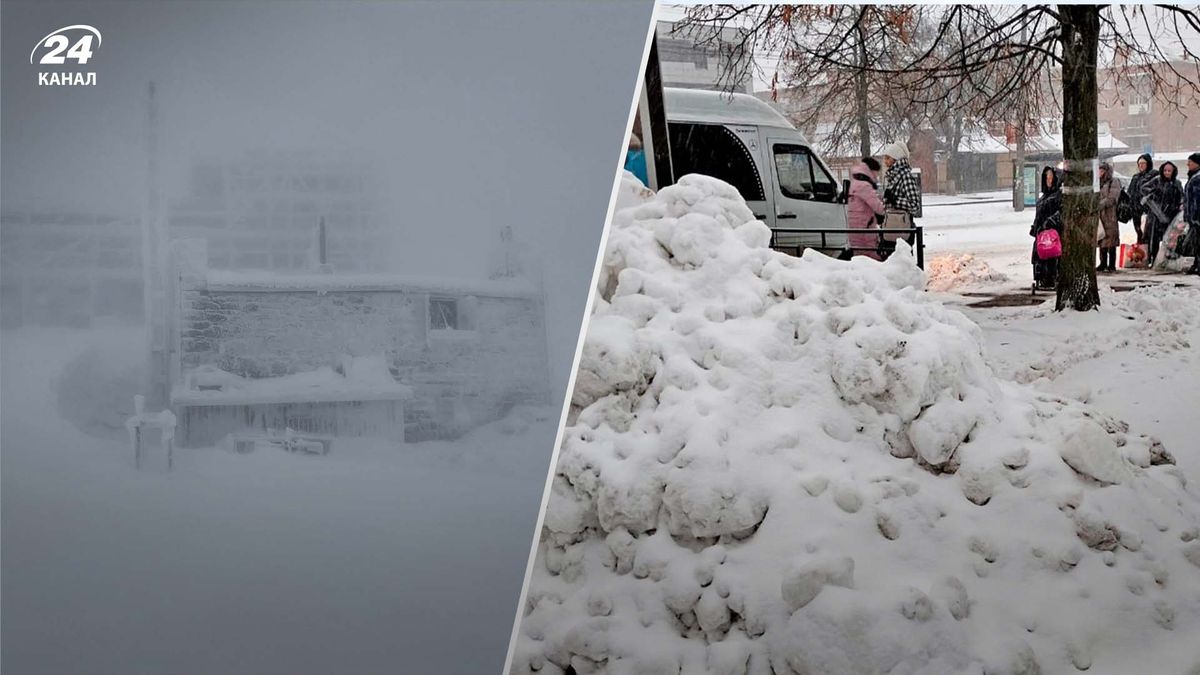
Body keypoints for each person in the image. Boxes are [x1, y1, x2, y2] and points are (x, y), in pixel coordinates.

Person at [1142, 160, 1183, 265]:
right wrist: (1152, 195)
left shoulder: (1176, 183)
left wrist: (1179, 205)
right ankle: (1153, 258)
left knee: (1169, 238)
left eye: (1169, 171)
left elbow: (1181, 196)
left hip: (1170, 214)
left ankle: (1166, 259)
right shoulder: (1157, 180)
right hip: (1156, 214)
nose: (1167, 173)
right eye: (1165, 170)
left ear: (1173, 171)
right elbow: (1143, 188)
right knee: (1154, 238)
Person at [846, 157, 887, 260]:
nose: (877, 176)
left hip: (855, 229)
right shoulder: (864, 186)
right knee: (870, 259)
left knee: (859, 258)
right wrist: (887, 207)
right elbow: (879, 208)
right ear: (871, 171)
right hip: (865, 229)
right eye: (877, 173)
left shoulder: (855, 182)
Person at [1030, 166, 1063, 289]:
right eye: (1046, 177)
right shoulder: (1044, 197)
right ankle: (1042, 277)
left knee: (1051, 255)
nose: (1048, 180)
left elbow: (1061, 212)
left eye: (1051, 177)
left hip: (1052, 233)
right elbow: (1039, 214)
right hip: (1041, 233)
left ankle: (1051, 278)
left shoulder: (1059, 195)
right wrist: (1035, 226)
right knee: (1040, 255)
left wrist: (1050, 222)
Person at [880, 142, 921, 222]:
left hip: (901, 227)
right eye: (885, 158)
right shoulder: (893, 176)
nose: (885, 161)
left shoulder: (905, 176)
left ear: (896, 159)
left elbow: (915, 205)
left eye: (888, 158)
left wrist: (895, 200)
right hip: (893, 225)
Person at [1096, 162, 1121, 272]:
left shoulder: (1113, 182)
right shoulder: (1097, 183)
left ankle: (1111, 264)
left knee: (1111, 241)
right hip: (1100, 216)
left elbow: (1113, 198)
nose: (1100, 173)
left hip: (1110, 215)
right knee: (1101, 239)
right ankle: (1102, 262)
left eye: (1102, 170)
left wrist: (1100, 204)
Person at [1128, 153, 1157, 244]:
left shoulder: (1154, 175)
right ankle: (1141, 252)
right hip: (1136, 210)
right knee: (1139, 233)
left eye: (1143, 163)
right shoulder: (1135, 177)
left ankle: (1148, 253)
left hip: (1148, 210)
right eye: (1139, 163)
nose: (1141, 165)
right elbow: (1130, 192)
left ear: (1148, 163)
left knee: (1148, 234)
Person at [1185, 152, 1200, 274]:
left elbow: (1196, 200)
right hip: (1193, 217)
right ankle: (1196, 264)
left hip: (1196, 218)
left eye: (1190, 162)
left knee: (1197, 242)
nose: (1188, 164)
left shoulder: (1197, 179)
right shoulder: (1193, 177)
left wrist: (1194, 217)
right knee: (1196, 242)